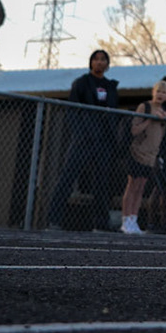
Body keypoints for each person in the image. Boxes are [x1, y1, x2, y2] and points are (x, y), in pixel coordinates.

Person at [44, 50, 121, 232]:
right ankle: (54, 221)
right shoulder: (82, 83)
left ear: (107, 64)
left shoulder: (111, 86)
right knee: (68, 178)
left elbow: (114, 112)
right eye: (96, 59)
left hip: (104, 140)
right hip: (84, 139)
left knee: (102, 182)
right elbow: (72, 109)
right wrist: (80, 133)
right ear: (91, 63)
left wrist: (112, 136)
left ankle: (101, 224)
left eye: (103, 60)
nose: (99, 63)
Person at [120, 77, 166, 235]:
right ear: (153, 92)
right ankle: (125, 219)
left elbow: (161, 135)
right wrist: (151, 120)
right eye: (158, 91)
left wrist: (164, 121)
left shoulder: (165, 112)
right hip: (138, 151)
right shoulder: (145, 107)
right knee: (132, 185)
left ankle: (133, 219)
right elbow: (134, 130)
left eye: (164, 93)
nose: (161, 95)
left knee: (141, 187)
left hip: (151, 154)